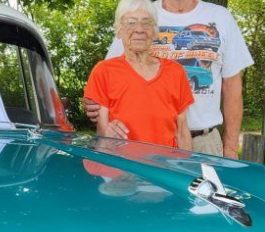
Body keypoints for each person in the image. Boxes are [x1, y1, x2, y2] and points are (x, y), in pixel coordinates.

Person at [84, 0, 253, 158]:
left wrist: (230, 148)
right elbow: (109, 81)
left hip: (204, 141)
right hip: (139, 144)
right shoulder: (140, 10)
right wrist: (96, 107)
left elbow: (232, 87)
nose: (139, 28)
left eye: (145, 24)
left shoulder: (221, 17)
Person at [83, 0, 194, 150]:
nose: (139, 29)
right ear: (119, 30)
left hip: (165, 167)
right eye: (131, 23)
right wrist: (108, 135)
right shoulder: (103, 72)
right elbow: (102, 133)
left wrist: (186, 169)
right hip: (122, 168)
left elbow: (182, 132)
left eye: (146, 23)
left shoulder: (176, 72)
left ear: (155, 31)